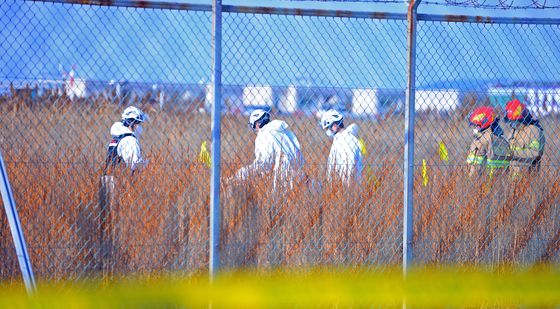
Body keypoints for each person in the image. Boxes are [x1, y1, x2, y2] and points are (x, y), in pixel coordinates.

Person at [236, 109, 304, 187]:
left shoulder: (263, 134)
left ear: (257, 124)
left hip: (282, 176)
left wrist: (246, 172)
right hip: (297, 173)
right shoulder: (283, 131)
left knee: (242, 173)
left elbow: (265, 162)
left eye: (254, 127)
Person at [320, 109, 363, 184]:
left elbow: (349, 165)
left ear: (334, 126)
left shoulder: (345, 140)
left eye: (328, 128)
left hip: (344, 186)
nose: (327, 132)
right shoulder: (344, 139)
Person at [466, 106, 511, 177]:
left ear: (483, 123)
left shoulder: (481, 141)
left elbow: (475, 169)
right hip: (503, 180)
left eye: (476, 126)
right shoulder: (502, 139)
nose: (474, 129)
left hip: (485, 182)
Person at [504, 99, 545, 176]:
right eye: (511, 122)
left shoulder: (534, 130)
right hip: (512, 175)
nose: (513, 124)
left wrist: (512, 153)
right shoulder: (513, 131)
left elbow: (535, 152)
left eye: (515, 121)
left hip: (527, 175)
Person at [104, 106, 148, 173]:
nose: (140, 127)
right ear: (131, 123)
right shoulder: (130, 140)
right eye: (138, 123)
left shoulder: (117, 138)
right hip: (120, 180)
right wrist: (148, 164)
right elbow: (135, 164)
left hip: (108, 179)